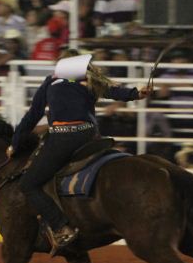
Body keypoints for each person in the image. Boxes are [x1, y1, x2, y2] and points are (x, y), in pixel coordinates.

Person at [9, 53, 149, 252]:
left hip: (63, 137)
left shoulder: (51, 81)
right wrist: (136, 93)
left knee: (29, 184)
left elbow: (33, 114)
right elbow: (113, 91)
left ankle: (61, 227)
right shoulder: (90, 80)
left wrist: (15, 143)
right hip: (90, 135)